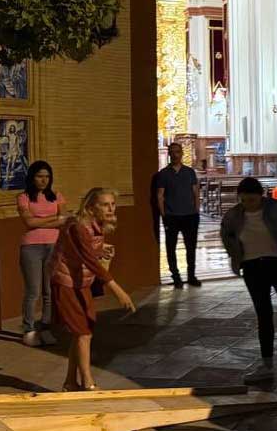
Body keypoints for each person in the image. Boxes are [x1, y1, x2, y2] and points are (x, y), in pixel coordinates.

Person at [50, 187, 136, 391]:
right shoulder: (78, 226)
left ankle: (70, 381)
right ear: (90, 208)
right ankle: (88, 382)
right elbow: (88, 259)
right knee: (83, 333)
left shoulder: (97, 225)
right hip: (67, 282)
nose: (110, 209)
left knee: (83, 330)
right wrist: (118, 290)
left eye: (112, 204)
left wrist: (100, 249)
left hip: (82, 282)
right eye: (104, 205)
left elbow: (86, 250)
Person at [220, 177, 277, 384]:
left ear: (261, 196)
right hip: (253, 267)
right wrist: (236, 257)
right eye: (244, 200)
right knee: (263, 314)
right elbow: (226, 236)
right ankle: (267, 365)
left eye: (252, 200)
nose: (248, 205)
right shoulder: (234, 215)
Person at [17, 160, 68, 347]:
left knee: (49, 290)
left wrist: (40, 220)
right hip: (31, 247)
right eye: (39, 176)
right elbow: (29, 223)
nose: (43, 180)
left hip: (53, 245)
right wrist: (55, 219)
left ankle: (46, 328)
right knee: (33, 291)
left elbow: (65, 219)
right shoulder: (23, 197)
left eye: (47, 176)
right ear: (32, 177)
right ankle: (29, 330)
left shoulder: (57, 196)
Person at [156, 142, 201, 288]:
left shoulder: (189, 172)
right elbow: (160, 195)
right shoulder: (163, 173)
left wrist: (196, 211)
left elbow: (196, 192)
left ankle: (191, 276)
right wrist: (164, 215)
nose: (175, 155)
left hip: (190, 216)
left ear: (182, 153)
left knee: (191, 247)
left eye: (177, 152)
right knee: (171, 247)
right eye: (172, 152)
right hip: (172, 216)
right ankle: (176, 276)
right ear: (169, 154)